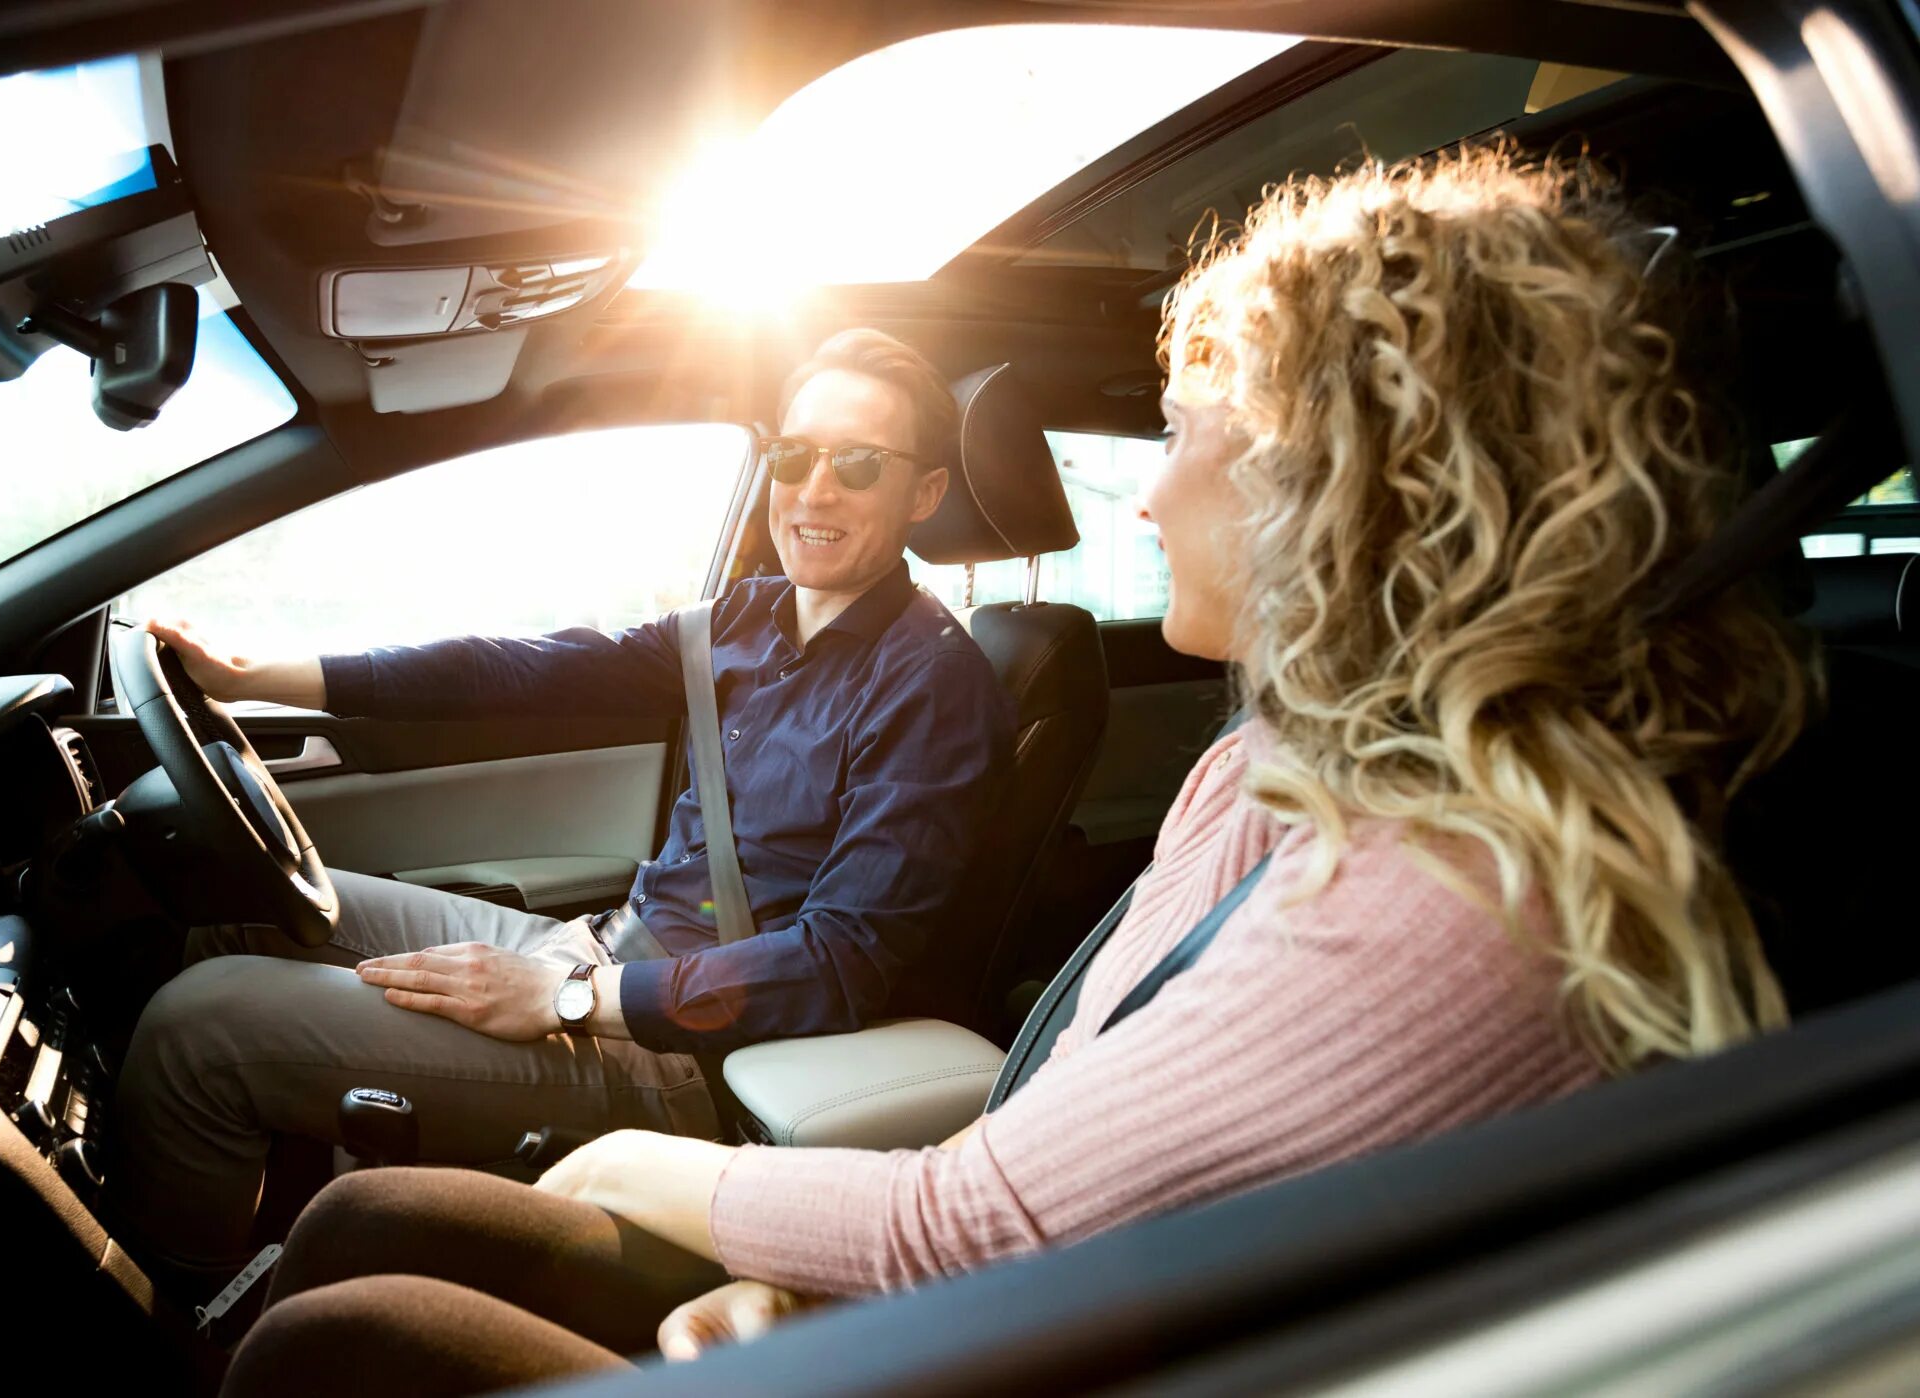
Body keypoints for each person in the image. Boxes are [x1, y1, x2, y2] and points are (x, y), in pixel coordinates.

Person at [218, 147, 1816, 1396]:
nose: (1148, 494)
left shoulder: (1452, 896)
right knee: (366, 1222)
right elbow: (1065, 1131)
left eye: (1184, 431)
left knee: (325, 1327)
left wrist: (637, 1118)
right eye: (792, 455)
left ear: (1337, 490)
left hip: (992, 1278)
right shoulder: (1265, 761)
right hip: (977, 1252)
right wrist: (259, 674)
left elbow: (975, 1191)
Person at [104, 328, 1019, 1289]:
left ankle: (184, 1336)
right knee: (243, 913)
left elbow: (843, 963)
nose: (814, 490)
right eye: (793, 455)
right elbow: (524, 668)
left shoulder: (933, 685)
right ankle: (282, 1233)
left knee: (197, 1025)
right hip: (598, 950)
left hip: (685, 1056)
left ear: (923, 494)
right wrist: (266, 677)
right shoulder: (746, 619)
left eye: (859, 464)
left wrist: (566, 997)